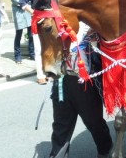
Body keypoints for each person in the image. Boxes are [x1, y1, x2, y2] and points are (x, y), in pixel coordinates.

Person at [49, 26, 113, 158]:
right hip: (61, 78)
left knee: (94, 121)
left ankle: (104, 148)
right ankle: (57, 155)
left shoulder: (87, 14)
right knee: (61, 124)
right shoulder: (54, 18)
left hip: (84, 80)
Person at [20, 0, 57, 85]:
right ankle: (40, 74)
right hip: (38, 23)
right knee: (38, 48)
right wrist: (32, 11)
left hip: (52, 23)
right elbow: (22, 1)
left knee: (53, 47)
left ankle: (52, 71)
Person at [9, 0, 33, 64]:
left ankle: (32, 54)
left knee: (31, 34)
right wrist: (23, 3)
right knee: (18, 34)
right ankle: (17, 56)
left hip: (29, 11)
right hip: (18, 11)